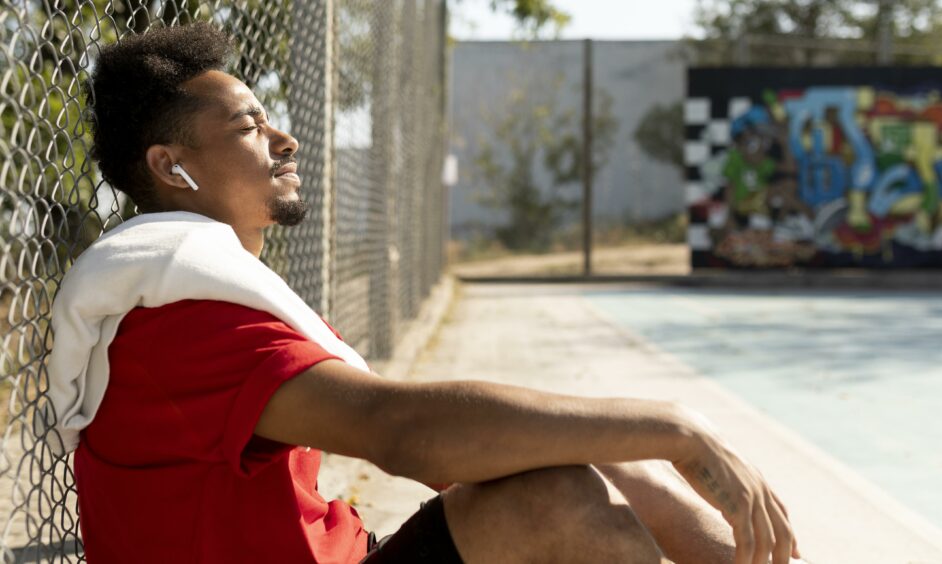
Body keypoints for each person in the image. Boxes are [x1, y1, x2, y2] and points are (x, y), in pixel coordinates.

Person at [68, 22, 801, 564]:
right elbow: (405, 437)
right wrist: (676, 424)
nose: (284, 139)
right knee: (561, 496)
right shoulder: (182, 323)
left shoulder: (206, 287)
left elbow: (440, 443)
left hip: (356, 552)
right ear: (172, 166)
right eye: (248, 127)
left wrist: (651, 438)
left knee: (607, 459)